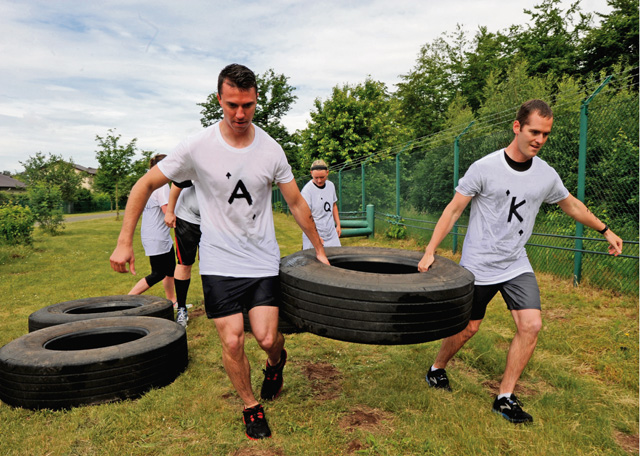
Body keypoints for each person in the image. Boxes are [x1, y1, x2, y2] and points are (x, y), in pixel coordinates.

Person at [110, 63, 329, 440]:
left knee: (266, 338)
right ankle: (250, 407)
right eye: (232, 105)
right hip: (219, 261)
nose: (240, 114)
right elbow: (146, 183)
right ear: (219, 101)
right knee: (231, 340)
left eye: (247, 105)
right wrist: (124, 239)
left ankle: (276, 364)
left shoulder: (271, 149)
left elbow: (295, 203)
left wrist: (321, 249)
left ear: (257, 100)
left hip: (261, 258)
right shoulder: (197, 146)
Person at [418, 99, 623, 424]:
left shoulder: (546, 175)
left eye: (546, 134)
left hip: (516, 263)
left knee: (531, 326)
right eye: (534, 131)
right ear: (517, 127)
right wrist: (430, 250)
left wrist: (605, 229)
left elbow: (571, 205)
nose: (540, 139)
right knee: (469, 327)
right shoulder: (484, 168)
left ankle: (504, 397)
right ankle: (437, 368)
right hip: (480, 265)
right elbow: (454, 209)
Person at [127, 154, 177, 304]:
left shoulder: (148, 183)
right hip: (157, 237)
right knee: (158, 273)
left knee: (170, 270)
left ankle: (172, 301)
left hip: (155, 235)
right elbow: (167, 213)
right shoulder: (161, 186)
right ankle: (127, 299)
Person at [164, 180, 200, 328]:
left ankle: (216, 305)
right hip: (187, 218)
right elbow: (177, 184)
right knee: (185, 264)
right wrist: (170, 211)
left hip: (212, 219)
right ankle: (182, 309)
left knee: (213, 263)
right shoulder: (196, 161)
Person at [300, 159, 341, 250]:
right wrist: (315, 237)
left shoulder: (331, 186)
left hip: (331, 233)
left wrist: (338, 225)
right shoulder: (307, 191)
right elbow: (305, 217)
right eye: (316, 177)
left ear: (327, 173)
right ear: (311, 173)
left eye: (322, 177)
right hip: (314, 234)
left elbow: (334, 205)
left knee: (336, 259)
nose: (319, 181)